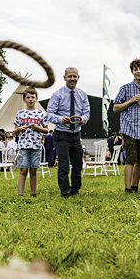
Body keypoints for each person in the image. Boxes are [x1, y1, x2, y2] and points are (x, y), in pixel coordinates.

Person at [113, 58, 140, 193]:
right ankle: (127, 189)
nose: (139, 72)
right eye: (136, 69)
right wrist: (131, 101)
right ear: (132, 71)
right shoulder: (125, 88)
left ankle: (134, 187)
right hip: (129, 129)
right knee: (130, 160)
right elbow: (115, 108)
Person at [47, 67, 90, 197]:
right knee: (64, 165)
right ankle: (65, 191)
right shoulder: (57, 94)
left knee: (78, 164)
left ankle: (75, 190)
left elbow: (86, 112)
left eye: (74, 76)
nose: (72, 79)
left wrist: (83, 119)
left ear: (78, 78)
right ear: (64, 77)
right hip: (61, 134)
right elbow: (49, 114)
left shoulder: (83, 95)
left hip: (76, 134)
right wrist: (61, 119)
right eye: (69, 76)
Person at [13, 87, 48, 197]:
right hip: (23, 146)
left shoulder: (41, 114)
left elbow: (47, 130)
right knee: (23, 170)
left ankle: (33, 192)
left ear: (36, 98)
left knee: (33, 170)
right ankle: (20, 194)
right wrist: (19, 129)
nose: (30, 99)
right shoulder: (20, 113)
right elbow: (14, 131)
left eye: (33, 97)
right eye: (28, 97)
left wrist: (38, 128)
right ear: (24, 100)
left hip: (36, 146)